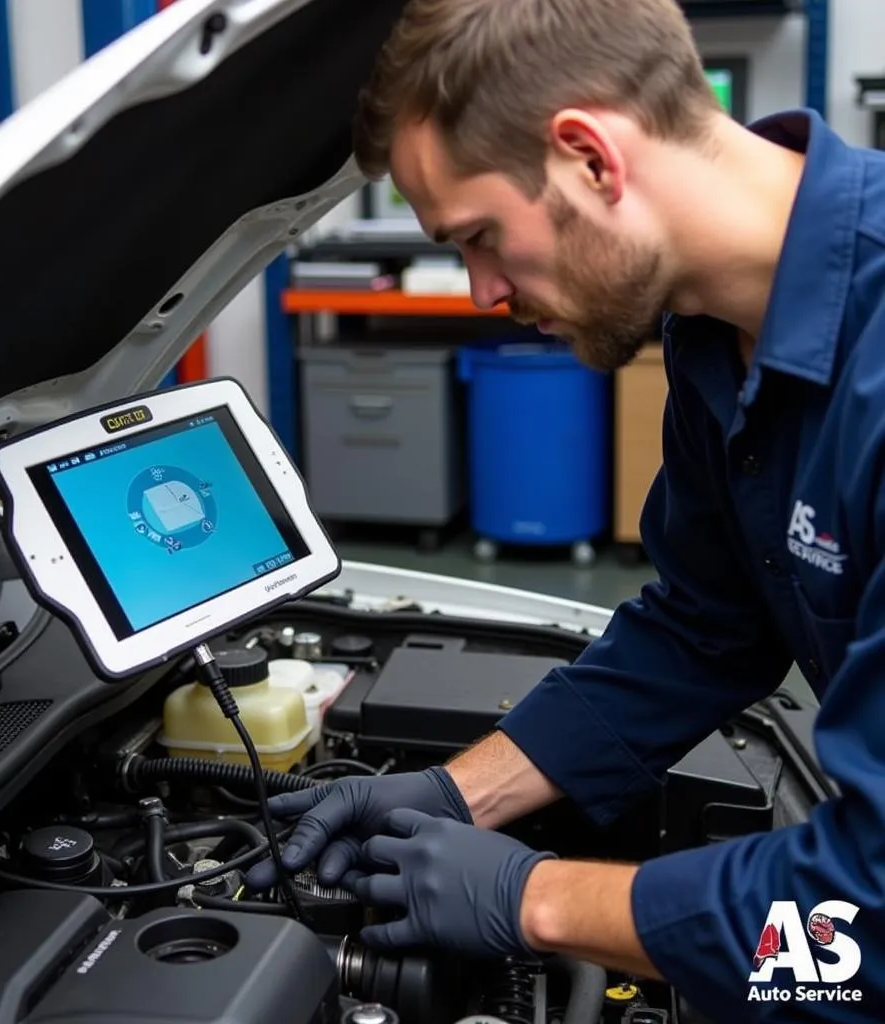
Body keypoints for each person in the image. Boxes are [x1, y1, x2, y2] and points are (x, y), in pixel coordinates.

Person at [248, 0, 885, 1017]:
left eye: (480, 237)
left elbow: (866, 931)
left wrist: (532, 898)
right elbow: (703, 630)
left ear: (591, 156)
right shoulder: (715, 328)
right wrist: (457, 793)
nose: (480, 292)